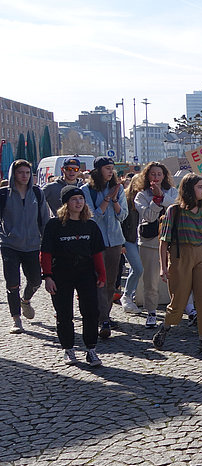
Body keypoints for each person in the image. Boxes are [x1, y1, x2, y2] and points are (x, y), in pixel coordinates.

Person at [40, 186, 107, 366]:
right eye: (74, 199)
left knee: (91, 311)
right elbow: (45, 253)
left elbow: (97, 253)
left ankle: (91, 349)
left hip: (85, 272)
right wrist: (47, 276)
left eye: (80, 198)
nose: (78, 202)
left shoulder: (90, 225)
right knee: (64, 313)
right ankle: (68, 349)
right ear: (66, 203)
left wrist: (101, 274)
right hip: (61, 272)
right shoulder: (54, 225)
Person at [153, 173, 202, 355]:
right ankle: (165, 328)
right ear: (189, 189)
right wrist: (163, 266)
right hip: (180, 255)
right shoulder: (174, 210)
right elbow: (163, 241)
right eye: (199, 186)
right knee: (179, 299)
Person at [1, 159, 50, 334]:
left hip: (32, 245)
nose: (24, 176)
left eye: (27, 173)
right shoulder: (4, 194)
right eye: (21, 172)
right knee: (12, 283)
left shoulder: (37, 193)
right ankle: (16, 319)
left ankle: (26, 300)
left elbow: (45, 219)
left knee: (36, 280)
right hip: (10, 245)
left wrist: (48, 242)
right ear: (13, 174)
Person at [82, 156, 127, 339]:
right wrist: (106, 200)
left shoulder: (119, 188)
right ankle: (102, 318)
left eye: (112, 168)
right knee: (98, 281)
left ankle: (104, 316)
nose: (111, 171)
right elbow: (91, 218)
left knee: (110, 282)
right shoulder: (87, 190)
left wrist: (115, 200)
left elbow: (122, 216)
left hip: (115, 241)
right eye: (107, 168)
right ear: (98, 170)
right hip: (96, 243)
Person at [134, 162, 177, 329]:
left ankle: (181, 310)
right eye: (153, 174)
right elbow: (148, 216)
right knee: (150, 280)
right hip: (149, 242)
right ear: (147, 176)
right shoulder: (141, 195)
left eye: (159, 174)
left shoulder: (172, 191)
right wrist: (156, 200)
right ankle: (151, 312)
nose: (156, 177)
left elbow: (176, 207)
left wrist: (163, 197)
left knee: (176, 279)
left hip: (171, 241)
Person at [118, 172, 144, 313]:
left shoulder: (146, 198)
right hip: (128, 239)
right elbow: (120, 221)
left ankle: (132, 295)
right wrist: (121, 243)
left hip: (143, 239)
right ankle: (127, 296)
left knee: (138, 269)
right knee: (138, 268)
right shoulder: (126, 199)